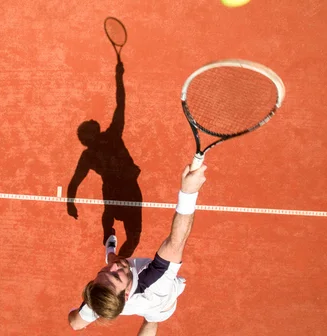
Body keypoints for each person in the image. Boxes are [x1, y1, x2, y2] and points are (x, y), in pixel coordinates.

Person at [68, 162, 207, 335]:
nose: (112, 268)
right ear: (126, 296)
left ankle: (110, 253)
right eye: (114, 276)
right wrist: (189, 192)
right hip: (161, 306)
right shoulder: (155, 284)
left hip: (122, 297)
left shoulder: (103, 296)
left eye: (102, 273)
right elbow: (176, 242)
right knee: (152, 319)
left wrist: (81, 312)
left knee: (77, 321)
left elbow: (75, 324)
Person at [67, 61, 143, 259]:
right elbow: (121, 103)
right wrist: (119, 77)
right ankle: (118, 257)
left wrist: (70, 202)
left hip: (114, 190)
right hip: (128, 190)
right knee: (133, 238)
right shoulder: (112, 135)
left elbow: (75, 181)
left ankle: (111, 250)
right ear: (90, 137)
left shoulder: (88, 156)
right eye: (91, 125)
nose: (93, 121)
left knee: (113, 221)